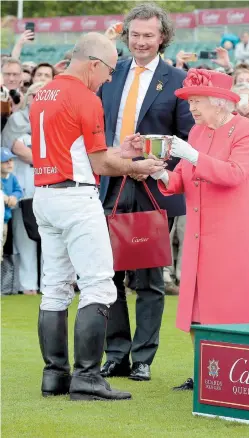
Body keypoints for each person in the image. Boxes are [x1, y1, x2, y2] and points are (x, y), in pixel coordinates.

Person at [30, 32, 165, 402]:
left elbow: (84, 148)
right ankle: (87, 378)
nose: (109, 78)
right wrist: (137, 166)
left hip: (45, 195)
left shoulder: (43, 92)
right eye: (107, 70)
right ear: (94, 64)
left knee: (55, 287)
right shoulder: (85, 97)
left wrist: (120, 154)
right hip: (76, 197)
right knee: (100, 284)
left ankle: (54, 376)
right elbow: (99, 162)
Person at [98, 3, 194, 381]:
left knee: (150, 276)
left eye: (148, 35)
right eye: (134, 35)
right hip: (110, 182)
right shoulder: (111, 72)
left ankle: (143, 358)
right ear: (127, 36)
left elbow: (187, 138)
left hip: (152, 188)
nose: (140, 42)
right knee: (109, 274)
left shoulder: (177, 80)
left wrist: (158, 167)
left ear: (162, 38)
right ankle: (116, 353)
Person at [151, 68, 249, 390]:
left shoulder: (246, 130)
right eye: (190, 102)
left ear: (220, 103)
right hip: (198, 234)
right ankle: (204, 372)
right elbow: (180, 181)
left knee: (227, 308)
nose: (191, 108)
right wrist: (157, 172)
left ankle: (230, 374)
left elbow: (234, 175)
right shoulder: (197, 133)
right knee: (198, 309)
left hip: (229, 235)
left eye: (197, 101)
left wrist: (192, 155)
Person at [2, 82, 44, 295]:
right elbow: (17, 149)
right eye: (35, 94)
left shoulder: (58, 117)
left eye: (43, 94)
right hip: (23, 185)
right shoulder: (17, 120)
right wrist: (48, 160)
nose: (38, 98)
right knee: (24, 237)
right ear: (28, 97)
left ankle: (50, 284)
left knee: (51, 239)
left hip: (49, 186)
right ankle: (28, 285)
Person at [0, 148, 23, 261]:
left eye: (11, 160)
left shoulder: (12, 177)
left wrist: (14, 196)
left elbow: (19, 191)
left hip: (5, 221)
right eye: (5, 161)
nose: (9, 163)